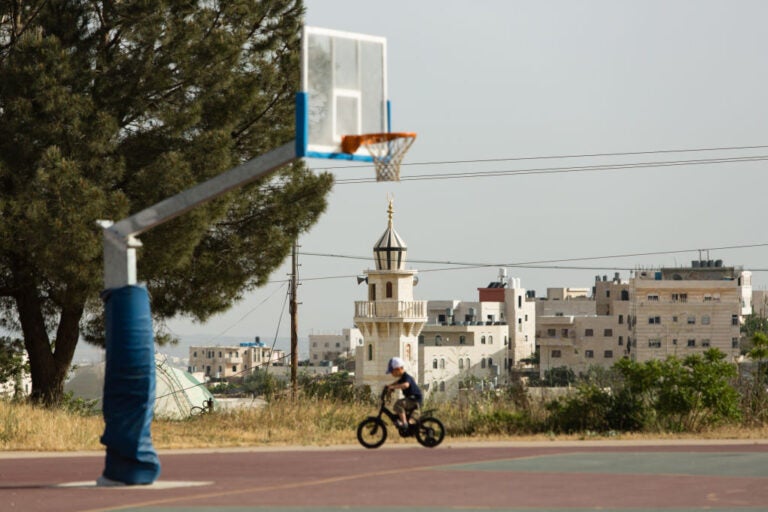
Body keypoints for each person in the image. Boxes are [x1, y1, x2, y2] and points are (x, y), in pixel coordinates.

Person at [385, 357, 423, 431]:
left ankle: (404, 423)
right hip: (412, 399)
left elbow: (406, 385)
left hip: (415, 400)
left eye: (392, 372)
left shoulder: (406, 377)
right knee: (400, 405)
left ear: (398, 369)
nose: (392, 374)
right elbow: (397, 382)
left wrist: (393, 387)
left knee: (398, 404)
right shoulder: (402, 378)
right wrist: (389, 386)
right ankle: (405, 421)